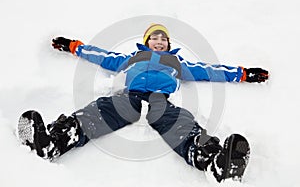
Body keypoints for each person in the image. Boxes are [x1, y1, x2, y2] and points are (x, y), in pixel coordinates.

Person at [17, 23, 268, 182]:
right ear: (146, 42)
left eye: (163, 40)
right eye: (154, 39)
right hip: (131, 96)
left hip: (161, 100)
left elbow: (211, 70)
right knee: (101, 110)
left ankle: (215, 162)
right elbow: (102, 56)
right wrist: (74, 46)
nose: (159, 42)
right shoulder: (133, 58)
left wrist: (243, 73)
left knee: (179, 122)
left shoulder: (176, 64)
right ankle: (54, 141)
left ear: (169, 45)